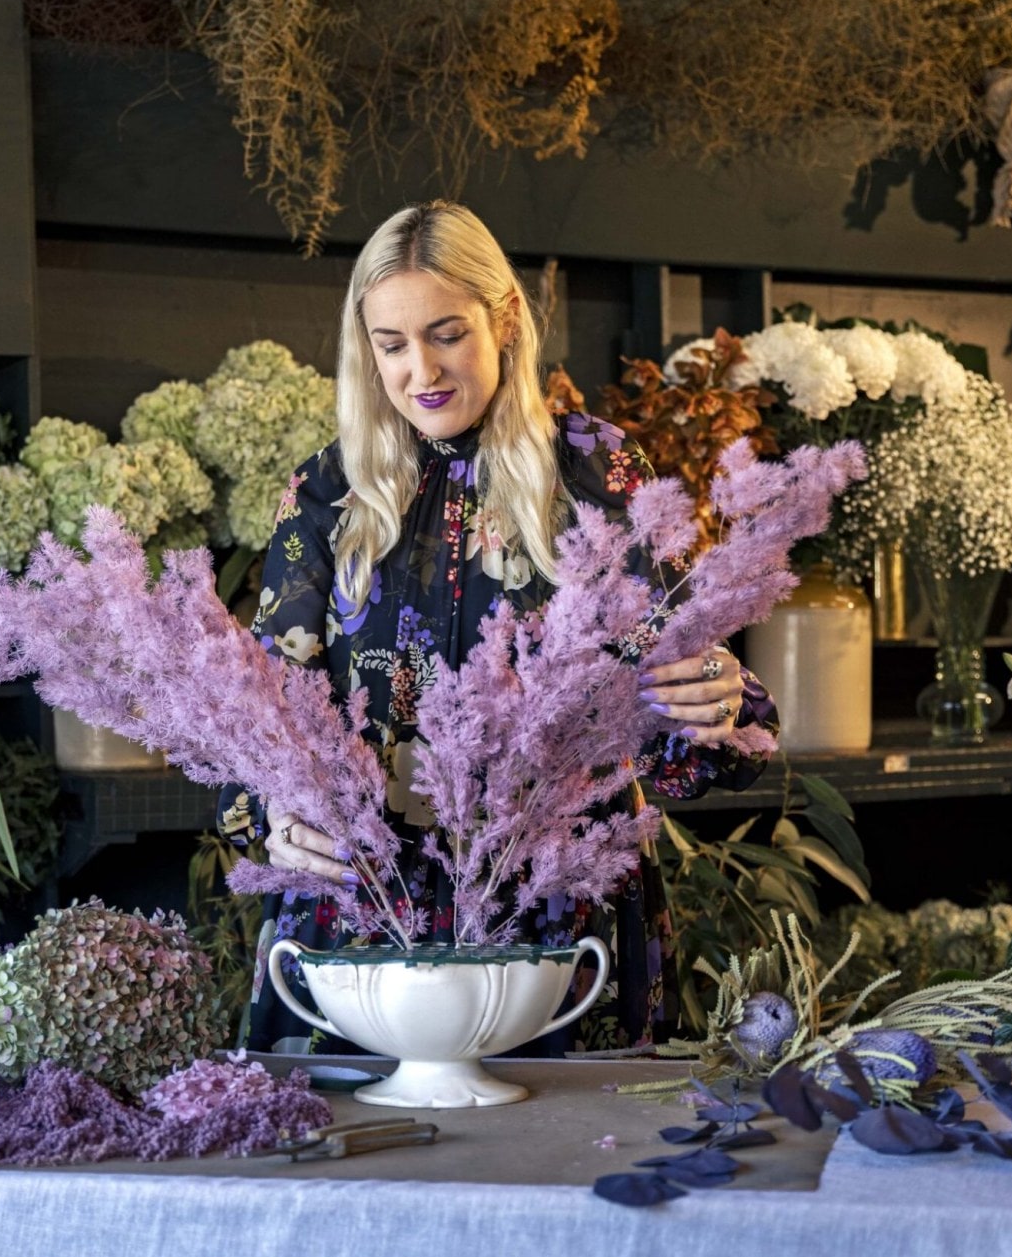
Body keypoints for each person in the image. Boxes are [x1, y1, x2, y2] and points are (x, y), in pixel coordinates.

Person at [218, 200, 771, 1054]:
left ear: (505, 319)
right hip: (364, 931)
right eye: (391, 343)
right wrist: (271, 813)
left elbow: (669, 698)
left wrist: (712, 698)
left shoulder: (598, 472)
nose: (419, 370)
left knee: (569, 1170)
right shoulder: (327, 494)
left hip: (556, 918)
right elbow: (260, 715)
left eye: (445, 333)